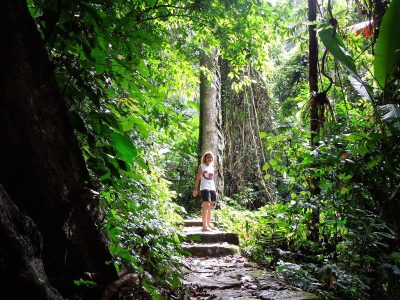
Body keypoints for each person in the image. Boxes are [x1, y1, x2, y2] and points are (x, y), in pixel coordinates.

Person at [193, 151, 217, 231]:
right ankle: (204, 226)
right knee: (206, 205)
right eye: (208, 157)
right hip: (204, 187)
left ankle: (209, 224)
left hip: (212, 187)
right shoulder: (202, 166)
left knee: (211, 206)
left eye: (211, 157)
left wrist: (214, 189)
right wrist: (196, 189)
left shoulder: (212, 167)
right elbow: (198, 178)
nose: (209, 158)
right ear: (205, 158)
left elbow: (212, 179)